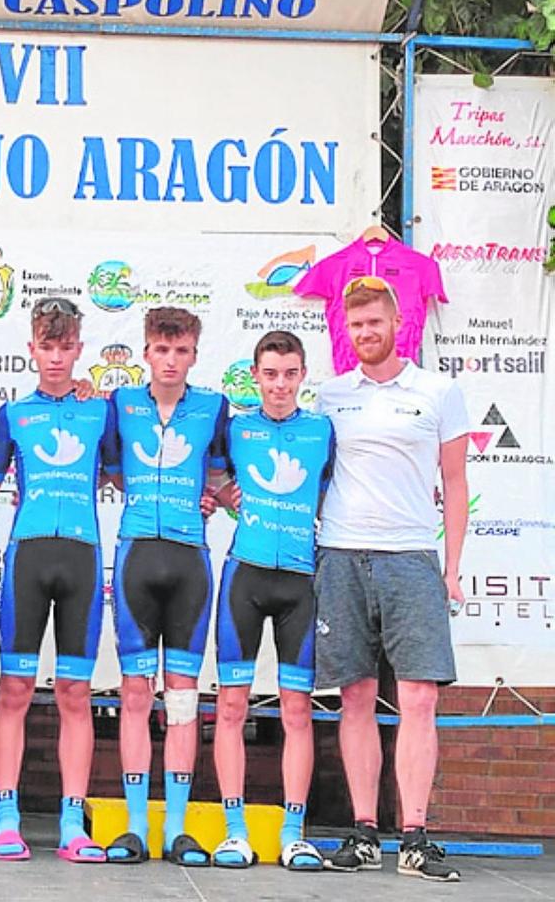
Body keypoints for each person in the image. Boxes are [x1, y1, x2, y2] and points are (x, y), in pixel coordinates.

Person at [314, 277, 468, 882]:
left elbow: (454, 481)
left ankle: (415, 838)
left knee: (419, 698)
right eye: (356, 325)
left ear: (398, 324)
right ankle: (363, 834)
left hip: (411, 556)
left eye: (375, 322)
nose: (366, 333)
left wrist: (452, 568)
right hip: (341, 554)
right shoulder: (330, 396)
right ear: (346, 331)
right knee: (354, 696)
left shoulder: (438, 391)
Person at [0, 296, 118, 864]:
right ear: (31, 349)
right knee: (15, 690)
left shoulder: (102, 412)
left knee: (76, 693)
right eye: (46, 346)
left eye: (65, 347)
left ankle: (73, 824)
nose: (56, 357)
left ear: (79, 350)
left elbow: (130, 474)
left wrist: (211, 494)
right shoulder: (12, 415)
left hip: (81, 560)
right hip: (27, 560)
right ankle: (7, 819)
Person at [104, 306, 228, 867]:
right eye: (162, 350)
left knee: (182, 696)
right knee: (135, 694)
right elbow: (109, 468)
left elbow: (223, 474)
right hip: (136, 555)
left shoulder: (214, 407)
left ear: (194, 355)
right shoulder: (121, 403)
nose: (171, 361)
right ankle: (135, 826)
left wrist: (213, 495)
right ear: (146, 353)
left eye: (181, 351)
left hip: (188, 562)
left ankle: (176, 828)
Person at [207, 331, 334, 871]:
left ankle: (292, 834)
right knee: (231, 706)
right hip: (246, 576)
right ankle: (235, 832)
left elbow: (333, 491)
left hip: (300, 583)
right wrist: (220, 492)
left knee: (297, 710)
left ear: (302, 376)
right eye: (270, 374)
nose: (280, 385)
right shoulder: (235, 429)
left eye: (289, 374)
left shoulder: (323, 430)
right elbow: (206, 476)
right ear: (255, 377)